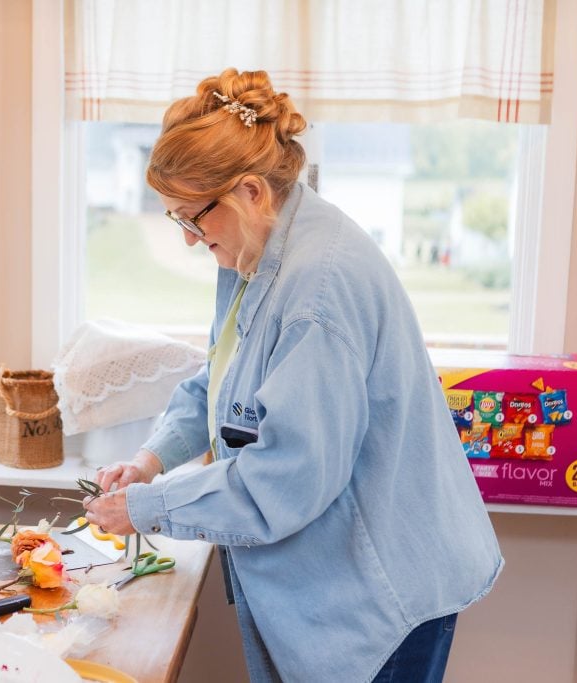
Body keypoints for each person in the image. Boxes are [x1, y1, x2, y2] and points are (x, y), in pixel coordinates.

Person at [82, 68, 503, 683]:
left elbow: (286, 480)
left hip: (381, 589)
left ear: (250, 190)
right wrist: (151, 458)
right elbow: (222, 379)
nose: (191, 241)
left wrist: (148, 507)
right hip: (339, 573)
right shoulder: (256, 244)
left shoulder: (317, 293)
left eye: (193, 220)